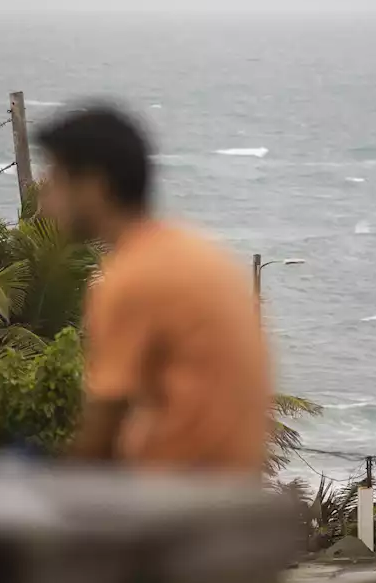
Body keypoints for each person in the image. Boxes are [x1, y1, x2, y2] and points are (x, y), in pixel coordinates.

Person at [35, 103, 272, 475]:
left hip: (174, 501)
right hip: (228, 489)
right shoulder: (197, 252)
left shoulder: (131, 278)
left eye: (55, 182)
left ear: (94, 185)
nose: (44, 201)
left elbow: (101, 437)